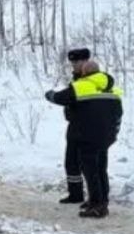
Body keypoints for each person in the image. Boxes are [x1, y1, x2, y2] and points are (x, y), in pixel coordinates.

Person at [45, 56, 123, 218]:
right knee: (101, 169)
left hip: (87, 137)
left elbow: (59, 98)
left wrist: (49, 94)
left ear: (84, 73)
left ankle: (96, 206)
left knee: (90, 170)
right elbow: (118, 113)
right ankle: (102, 200)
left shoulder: (81, 86)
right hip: (106, 137)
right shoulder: (112, 90)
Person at [57, 48, 91, 205]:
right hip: (75, 125)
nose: (73, 66)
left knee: (89, 165)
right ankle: (75, 194)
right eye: (72, 63)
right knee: (71, 162)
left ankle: (95, 198)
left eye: (76, 62)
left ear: (85, 61)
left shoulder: (90, 79)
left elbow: (69, 96)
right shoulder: (77, 79)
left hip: (86, 127)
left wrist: (55, 96)